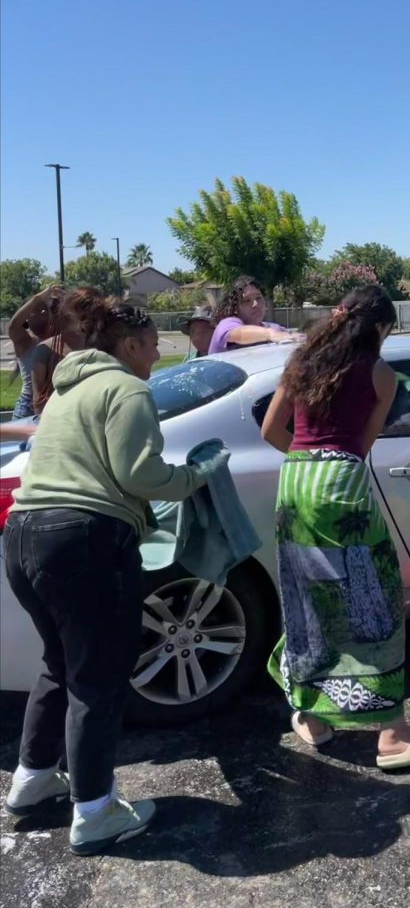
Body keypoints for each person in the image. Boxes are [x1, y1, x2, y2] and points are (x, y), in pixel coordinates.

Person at [3, 300, 224, 854]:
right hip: (83, 540)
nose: (157, 354)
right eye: (151, 344)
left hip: (24, 535)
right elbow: (140, 474)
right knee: (98, 681)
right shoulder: (126, 390)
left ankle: (31, 780)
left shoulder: (67, 390)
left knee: (60, 663)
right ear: (128, 346)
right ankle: (95, 811)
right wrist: (196, 474)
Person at [261, 285, 410, 770]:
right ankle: (392, 733)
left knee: (308, 596)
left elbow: (270, 431)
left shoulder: (300, 362)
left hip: (295, 480)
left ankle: (311, 715)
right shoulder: (379, 373)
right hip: (339, 482)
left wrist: (308, 459)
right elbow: (361, 447)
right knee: (375, 598)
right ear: (380, 328)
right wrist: (331, 465)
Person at [30, 287, 102, 415]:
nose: (89, 319)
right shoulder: (45, 350)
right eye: (83, 314)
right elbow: (38, 402)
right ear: (68, 313)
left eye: (94, 313)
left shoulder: (100, 346)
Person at [8, 287, 61, 418]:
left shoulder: (59, 338)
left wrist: (66, 298)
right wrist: (38, 298)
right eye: (35, 309)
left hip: (55, 402)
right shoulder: (24, 340)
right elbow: (13, 326)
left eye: (44, 308)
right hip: (28, 406)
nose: (42, 312)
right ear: (26, 318)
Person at [208, 276, 295, 355]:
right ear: (235, 307)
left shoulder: (274, 328)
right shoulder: (226, 324)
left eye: (258, 298)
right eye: (247, 301)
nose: (255, 304)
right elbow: (239, 334)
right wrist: (270, 334)